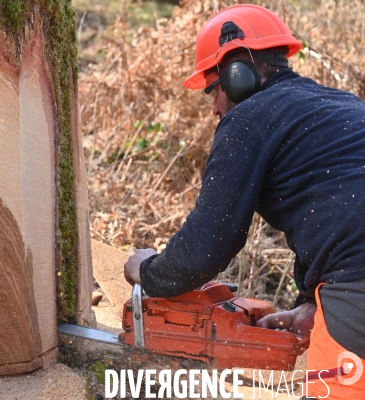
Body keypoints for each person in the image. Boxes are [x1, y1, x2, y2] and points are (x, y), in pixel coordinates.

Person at [123, 4, 365, 398]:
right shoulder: (340, 105)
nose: (215, 107)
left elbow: (209, 243)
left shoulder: (249, 117)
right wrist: (311, 305)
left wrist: (149, 272)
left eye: (213, 91)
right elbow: (339, 207)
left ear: (238, 73)